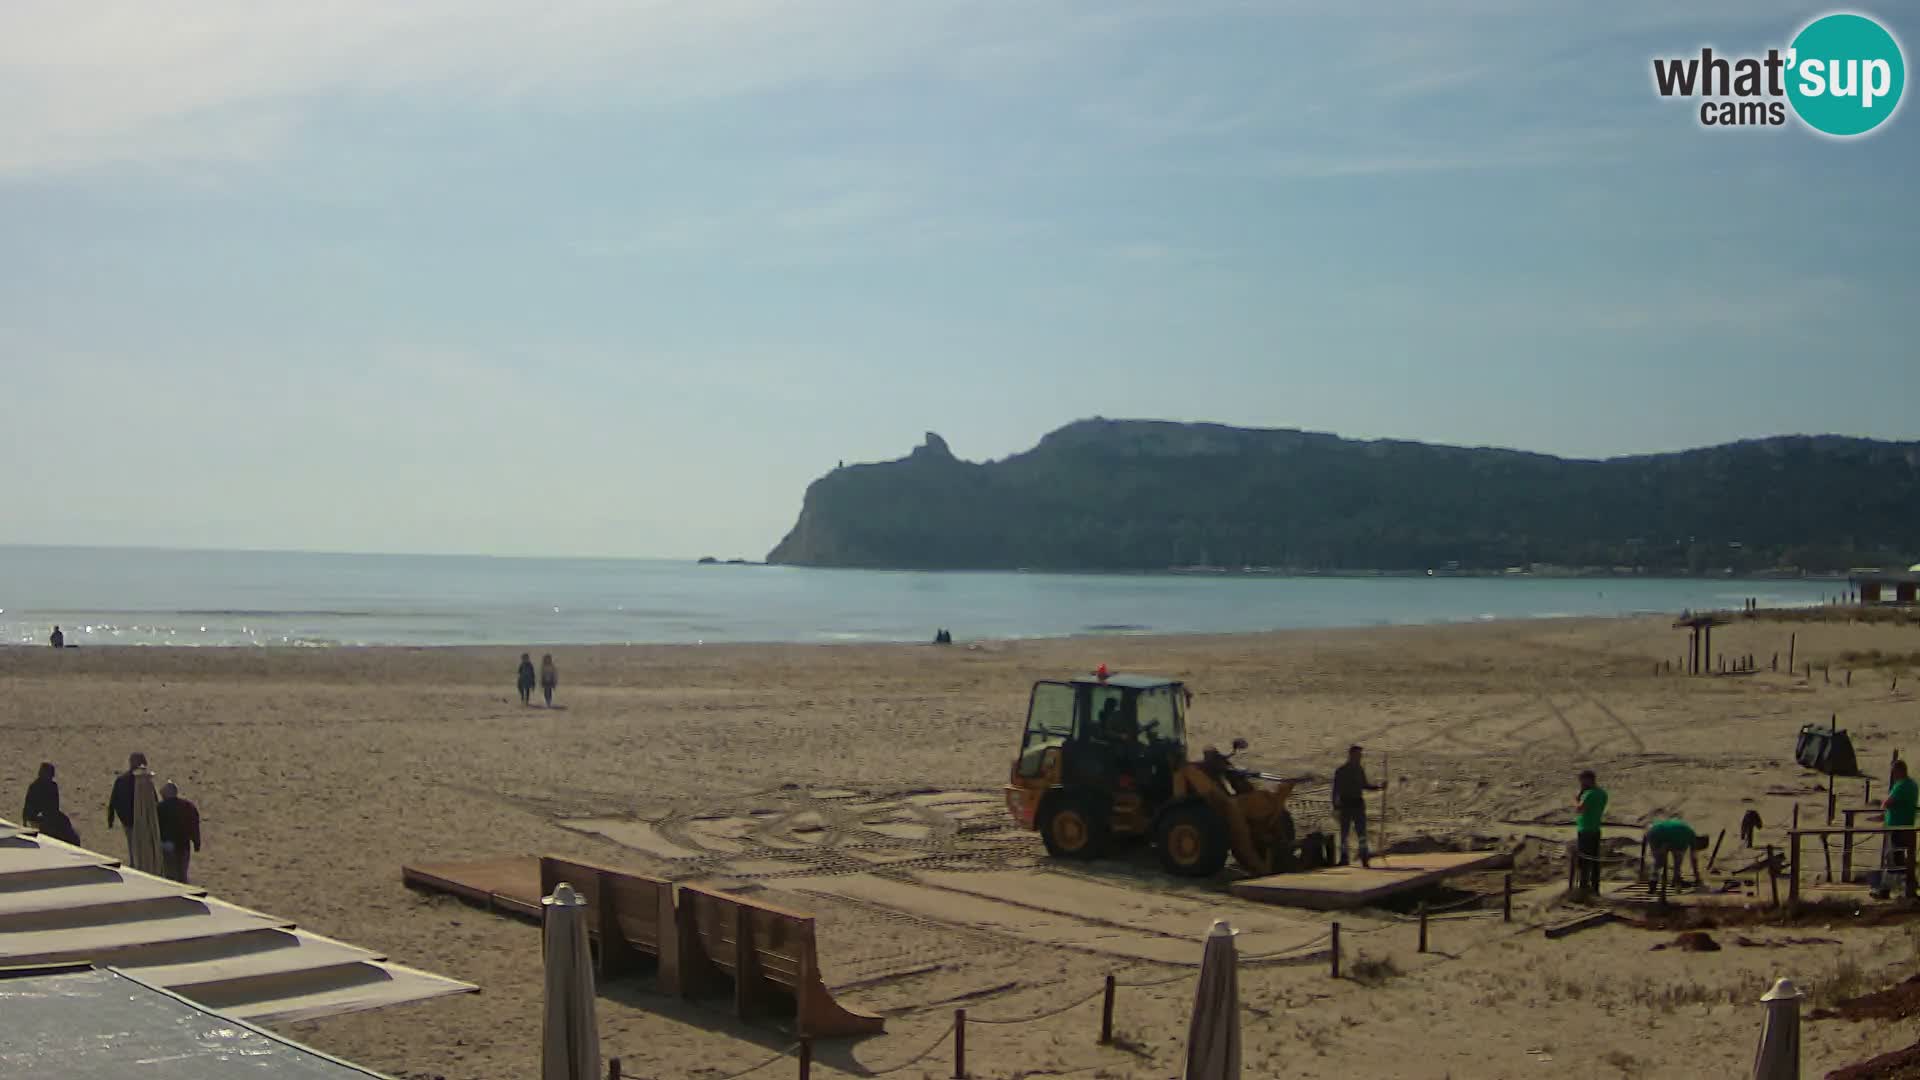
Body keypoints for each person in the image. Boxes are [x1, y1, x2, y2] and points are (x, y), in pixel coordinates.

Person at [1331, 745, 1383, 867]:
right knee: (1344, 834)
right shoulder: (1341, 771)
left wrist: (1379, 787)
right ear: (1351, 755)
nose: (1359, 757)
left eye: (1360, 755)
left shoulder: (1359, 769)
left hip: (1358, 804)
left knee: (1362, 834)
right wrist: (1335, 806)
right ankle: (1344, 858)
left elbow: (1364, 785)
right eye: (1357, 755)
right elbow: (1335, 790)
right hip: (1346, 805)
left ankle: (1364, 857)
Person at [1873, 758, 1916, 901]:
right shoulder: (1912, 785)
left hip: (1898, 827)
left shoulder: (1902, 785)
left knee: (1892, 859)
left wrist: (1883, 808)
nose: (1893, 775)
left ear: (1899, 771)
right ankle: (1903, 888)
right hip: (1905, 826)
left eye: (1894, 772)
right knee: (1897, 859)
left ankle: (1891, 890)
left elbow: (1887, 803)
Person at [23, 763, 82, 846]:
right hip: (37, 818)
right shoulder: (35, 787)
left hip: (50, 815)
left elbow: (55, 807)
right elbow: (28, 810)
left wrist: (52, 816)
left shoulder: (53, 786)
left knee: (64, 821)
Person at [156, 782, 202, 884]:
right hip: (184, 844)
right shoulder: (188, 806)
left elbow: (155, 828)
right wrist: (196, 842)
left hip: (167, 844)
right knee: (182, 874)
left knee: (170, 874)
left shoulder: (160, 808)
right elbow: (194, 825)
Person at [1645, 818, 1706, 891]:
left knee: (1658, 860)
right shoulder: (1689, 837)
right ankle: (1676, 879)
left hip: (1654, 831)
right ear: (1698, 842)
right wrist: (1697, 878)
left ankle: (1653, 880)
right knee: (1678, 858)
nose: (1696, 848)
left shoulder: (1688, 830)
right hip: (1667, 835)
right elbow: (1693, 859)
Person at [1574, 770, 1608, 896]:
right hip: (1595, 829)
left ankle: (1583, 888)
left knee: (1584, 861)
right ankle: (1595, 887)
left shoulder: (1589, 794)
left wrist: (1576, 799)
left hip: (1585, 830)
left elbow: (1579, 809)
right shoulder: (1602, 793)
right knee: (1595, 860)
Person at [107, 753, 147, 848]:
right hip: (140, 819)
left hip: (126, 819)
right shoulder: (144, 780)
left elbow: (113, 800)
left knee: (132, 844)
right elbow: (153, 800)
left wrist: (111, 818)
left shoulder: (121, 780)